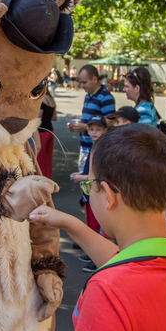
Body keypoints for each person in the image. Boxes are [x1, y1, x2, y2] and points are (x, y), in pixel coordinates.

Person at [29, 124, 166, 331]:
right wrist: (70, 224)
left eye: (89, 186)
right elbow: (125, 261)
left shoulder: (108, 294)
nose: (88, 192)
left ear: (108, 195)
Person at [69, 116, 108, 272]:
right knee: (91, 223)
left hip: (97, 192)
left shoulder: (102, 149)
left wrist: (82, 178)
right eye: (91, 129)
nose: (94, 133)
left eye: (98, 129)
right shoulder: (94, 146)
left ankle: (98, 258)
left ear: (105, 130)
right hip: (89, 192)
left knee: (97, 226)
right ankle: (92, 252)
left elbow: (99, 175)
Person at [67, 64, 115, 173]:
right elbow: (89, 119)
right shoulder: (88, 96)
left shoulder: (106, 97)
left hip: (96, 148)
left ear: (94, 79)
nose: (81, 85)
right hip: (85, 146)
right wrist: (77, 126)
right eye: (80, 82)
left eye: (84, 82)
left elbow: (111, 122)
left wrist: (85, 127)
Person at [37, 90, 57, 179]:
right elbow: (54, 118)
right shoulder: (51, 99)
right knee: (48, 158)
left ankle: (41, 179)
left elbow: (38, 118)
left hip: (41, 132)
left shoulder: (42, 99)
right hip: (50, 131)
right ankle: (48, 178)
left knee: (40, 159)